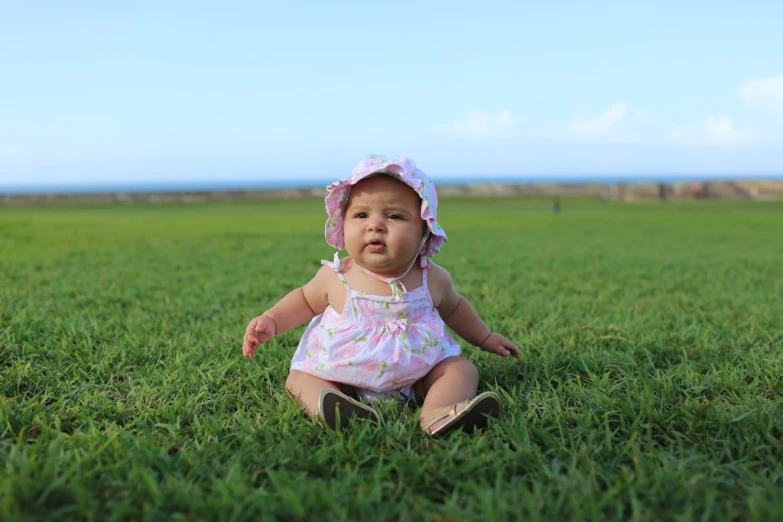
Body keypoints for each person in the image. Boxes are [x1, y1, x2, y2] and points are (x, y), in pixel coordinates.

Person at [242, 155, 520, 437]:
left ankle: (438, 413)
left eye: (394, 216)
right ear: (343, 223)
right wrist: (272, 321)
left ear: (424, 232)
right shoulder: (338, 276)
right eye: (361, 215)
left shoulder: (432, 278)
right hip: (342, 375)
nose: (374, 225)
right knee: (299, 379)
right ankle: (337, 409)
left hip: (418, 375)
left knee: (461, 369)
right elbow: (303, 300)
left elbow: (456, 309)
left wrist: (484, 337)